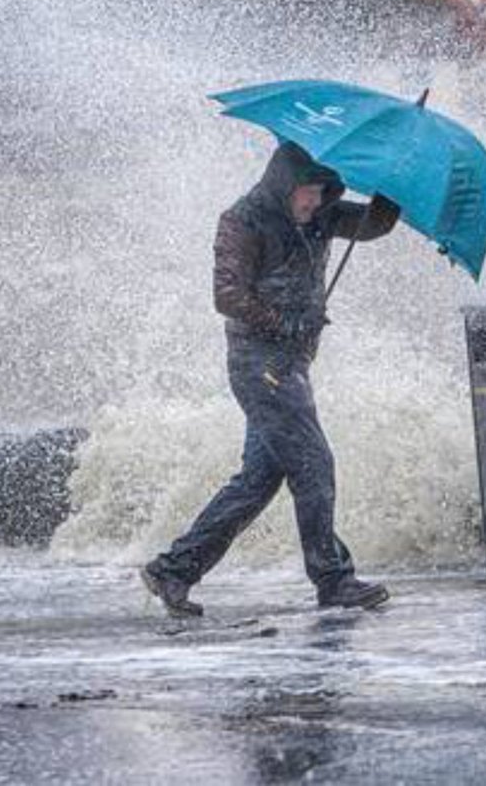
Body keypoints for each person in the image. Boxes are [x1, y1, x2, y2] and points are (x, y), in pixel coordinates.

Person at [141, 141, 400, 617]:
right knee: (314, 463)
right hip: (258, 364)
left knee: (258, 480)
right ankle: (333, 579)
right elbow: (227, 296)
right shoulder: (242, 221)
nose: (314, 202)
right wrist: (285, 324)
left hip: (291, 366)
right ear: (284, 184)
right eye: (306, 191)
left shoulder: (321, 214)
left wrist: (393, 185)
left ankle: (173, 570)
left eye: (323, 192)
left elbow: (373, 225)